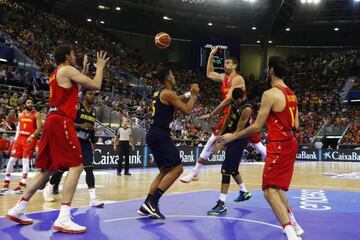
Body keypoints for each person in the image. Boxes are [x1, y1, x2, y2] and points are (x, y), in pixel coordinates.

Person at [5, 45, 109, 234]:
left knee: (49, 169)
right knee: (77, 166)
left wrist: (84, 70)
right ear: (67, 56)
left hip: (52, 119)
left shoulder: (57, 73)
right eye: (72, 54)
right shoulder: (67, 69)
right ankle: (64, 217)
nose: (75, 56)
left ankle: (18, 208)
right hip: (61, 120)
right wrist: (100, 67)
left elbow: (74, 88)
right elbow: (95, 85)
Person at [219, 56, 304, 239]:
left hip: (279, 145)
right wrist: (277, 121)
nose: (267, 72)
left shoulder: (270, 94)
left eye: (267, 69)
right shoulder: (291, 93)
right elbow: (296, 124)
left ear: (272, 70)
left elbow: (257, 126)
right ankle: (295, 226)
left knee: (268, 190)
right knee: (277, 188)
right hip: (291, 142)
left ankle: (290, 233)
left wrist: (233, 135)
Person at [180, 46, 266, 183]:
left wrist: (211, 114)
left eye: (227, 63)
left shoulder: (238, 79)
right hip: (230, 114)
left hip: (240, 114)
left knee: (257, 144)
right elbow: (209, 73)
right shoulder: (223, 77)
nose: (225, 65)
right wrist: (211, 55)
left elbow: (228, 100)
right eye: (224, 63)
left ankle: (278, 162)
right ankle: (195, 172)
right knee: (213, 141)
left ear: (235, 65)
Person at [138, 67, 199, 219]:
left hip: (154, 134)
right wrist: (193, 95)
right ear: (167, 78)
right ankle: (153, 202)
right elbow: (187, 109)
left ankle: (146, 204)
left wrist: (186, 94)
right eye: (171, 74)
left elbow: (175, 99)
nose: (174, 76)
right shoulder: (168, 93)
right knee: (178, 169)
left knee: (165, 171)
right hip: (160, 134)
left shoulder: (161, 93)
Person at [42, 89, 104, 208]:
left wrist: (93, 142)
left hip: (85, 142)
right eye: (90, 94)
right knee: (63, 168)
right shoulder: (77, 106)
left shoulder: (94, 111)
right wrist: (81, 125)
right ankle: (48, 188)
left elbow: (91, 129)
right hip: (72, 140)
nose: (93, 97)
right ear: (84, 95)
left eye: (94, 95)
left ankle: (93, 198)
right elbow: (66, 121)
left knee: (89, 168)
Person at [207, 88, 252, 216]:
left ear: (242, 97)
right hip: (229, 135)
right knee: (233, 168)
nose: (235, 104)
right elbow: (227, 119)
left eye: (237, 102)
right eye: (234, 102)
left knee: (226, 169)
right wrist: (219, 136)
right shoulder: (234, 102)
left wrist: (222, 143)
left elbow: (238, 130)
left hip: (239, 138)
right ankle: (244, 192)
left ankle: (221, 204)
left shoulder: (247, 109)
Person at [1, 98, 42, 194]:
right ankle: (6, 182)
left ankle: (23, 183)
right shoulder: (21, 114)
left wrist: (32, 136)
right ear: (24, 104)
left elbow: (39, 128)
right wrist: (15, 140)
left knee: (25, 159)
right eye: (28, 102)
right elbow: (19, 127)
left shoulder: (36, 114)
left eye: (31, 102)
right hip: (19, 138)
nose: (30, 104)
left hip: (29, 139)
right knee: (11, 159)